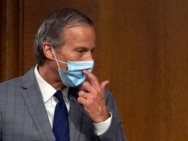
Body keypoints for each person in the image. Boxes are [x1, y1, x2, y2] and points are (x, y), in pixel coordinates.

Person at [0, 8, 126, 141]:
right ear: (49, 50)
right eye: (81, 51)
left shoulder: (100, 99)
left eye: (91, 51)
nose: (90, 60)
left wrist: (102, 120)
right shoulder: (3, 98)